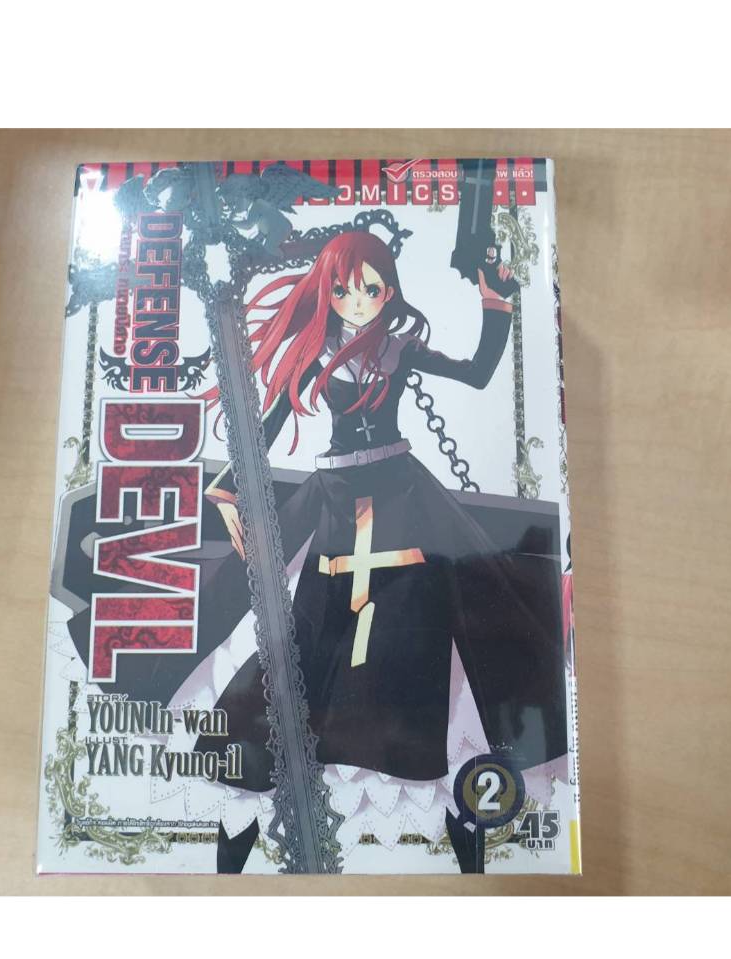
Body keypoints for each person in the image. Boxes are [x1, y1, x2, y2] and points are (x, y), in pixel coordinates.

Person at [153, 230, 566, 872]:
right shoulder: (315, 354)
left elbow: (478, 372)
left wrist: (497, 303)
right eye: (343, 289)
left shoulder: (398, 350)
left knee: (443, 635)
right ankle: (246, 825)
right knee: (290, 637)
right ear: (328, 291)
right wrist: (226, 489)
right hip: (334, 499)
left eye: (371, 288)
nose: (357, 300)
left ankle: (464, 832)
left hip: (402, 493)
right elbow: (263, 428)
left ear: (389, 290)